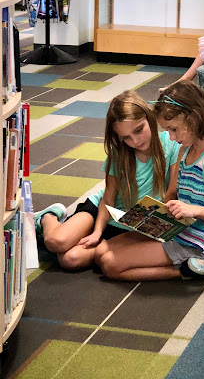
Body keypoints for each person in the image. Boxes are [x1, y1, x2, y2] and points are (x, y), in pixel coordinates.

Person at [94, 80, 204, 281]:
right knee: (100, 253)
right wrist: (148, 219)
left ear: (193, 118)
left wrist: (193, 210)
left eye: (173, 129)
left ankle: (195, 269)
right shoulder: (184, 149)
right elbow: (171, 193)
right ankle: (189, 266)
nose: (169, 136)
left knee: (110, 265)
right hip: (178, 228)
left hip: (200, 241)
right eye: (166, 130)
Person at [34, 90, 180, 270]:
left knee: (70, 259)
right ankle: (47, 217)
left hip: (136, 224)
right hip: (106, 212)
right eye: (126, 137)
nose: (135, 141)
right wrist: (97, 232)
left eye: (138, 130)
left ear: (149, 118)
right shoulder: (119, 155)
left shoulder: (172, 144)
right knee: (55, 241)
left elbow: (171, 194)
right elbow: (108, 198)